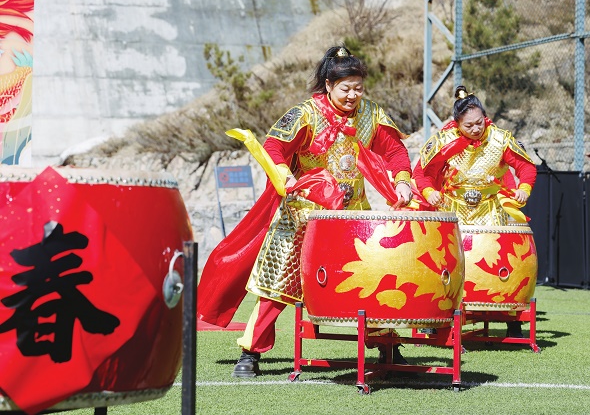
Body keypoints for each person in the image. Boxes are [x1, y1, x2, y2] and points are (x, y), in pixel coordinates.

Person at [196, 45, 414, 377]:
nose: (353, 95)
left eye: (358, 88)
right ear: (328, 85)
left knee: (372, 275)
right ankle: (250, 353)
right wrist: (285, 177)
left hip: (352, 213)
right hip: (303, 212)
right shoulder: (305, 114)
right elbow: (274, 146)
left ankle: (387, 345)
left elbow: (395, 151)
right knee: (278, 281)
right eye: (346, 88)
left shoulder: (372, 114)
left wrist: (402, 181)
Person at [413, 85, 537, 338]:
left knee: (500, 261)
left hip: (489, 207)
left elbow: (526, 167)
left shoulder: (500, 138)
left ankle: (510, 319)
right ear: (457, 123)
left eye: (479, 122)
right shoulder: (443, 140)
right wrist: (429, 192)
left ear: (485, 117)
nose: (475, 129)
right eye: (468, 125)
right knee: (446, 262)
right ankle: (437, 317)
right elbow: (422, 173)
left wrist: (524, 188)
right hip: (453, 207)